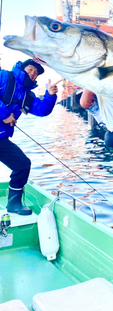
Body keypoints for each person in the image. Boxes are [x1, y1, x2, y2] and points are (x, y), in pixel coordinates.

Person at [0, 59, 60, 215]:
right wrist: (4, 114)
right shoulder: (3, 76)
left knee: (23, 164)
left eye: (36, 73)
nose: (33, 74)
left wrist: (50, 95)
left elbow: (42, 110)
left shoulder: (27, 95)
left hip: (1, 139)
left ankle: (13, 204)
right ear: (21, 68)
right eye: (31, 69)